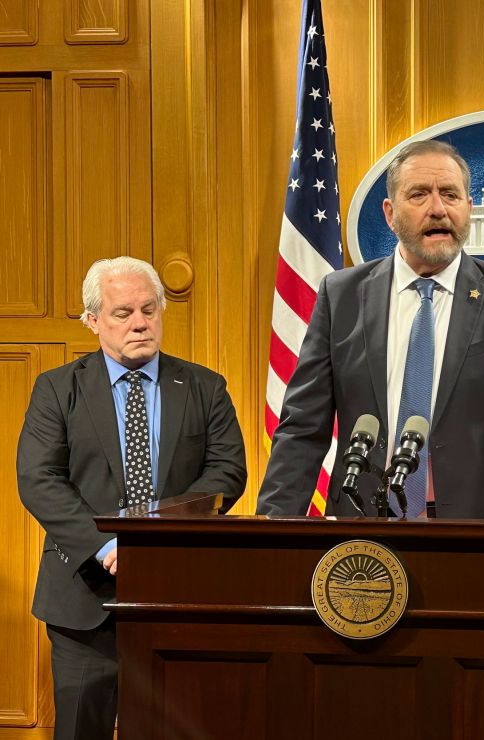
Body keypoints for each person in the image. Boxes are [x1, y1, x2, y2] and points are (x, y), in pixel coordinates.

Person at [257, 139, 484, 521]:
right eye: (419, 195)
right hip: (361, 525)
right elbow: (302, 430)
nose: (439, 209)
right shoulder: (341, 295)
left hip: (478, 528)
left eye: (450, 194)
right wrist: (272, 532)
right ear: (390, 213)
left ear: (469, 209)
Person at [17, 256, 248, 740]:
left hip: (181, 594)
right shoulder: (58, 389)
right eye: (123, 313)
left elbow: (227, 474)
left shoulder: (205, 388)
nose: (140, 323)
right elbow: (40, 479)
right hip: (84, 601)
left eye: (149, 309)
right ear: (92, 321)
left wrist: (156, 542)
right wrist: (107, 548)